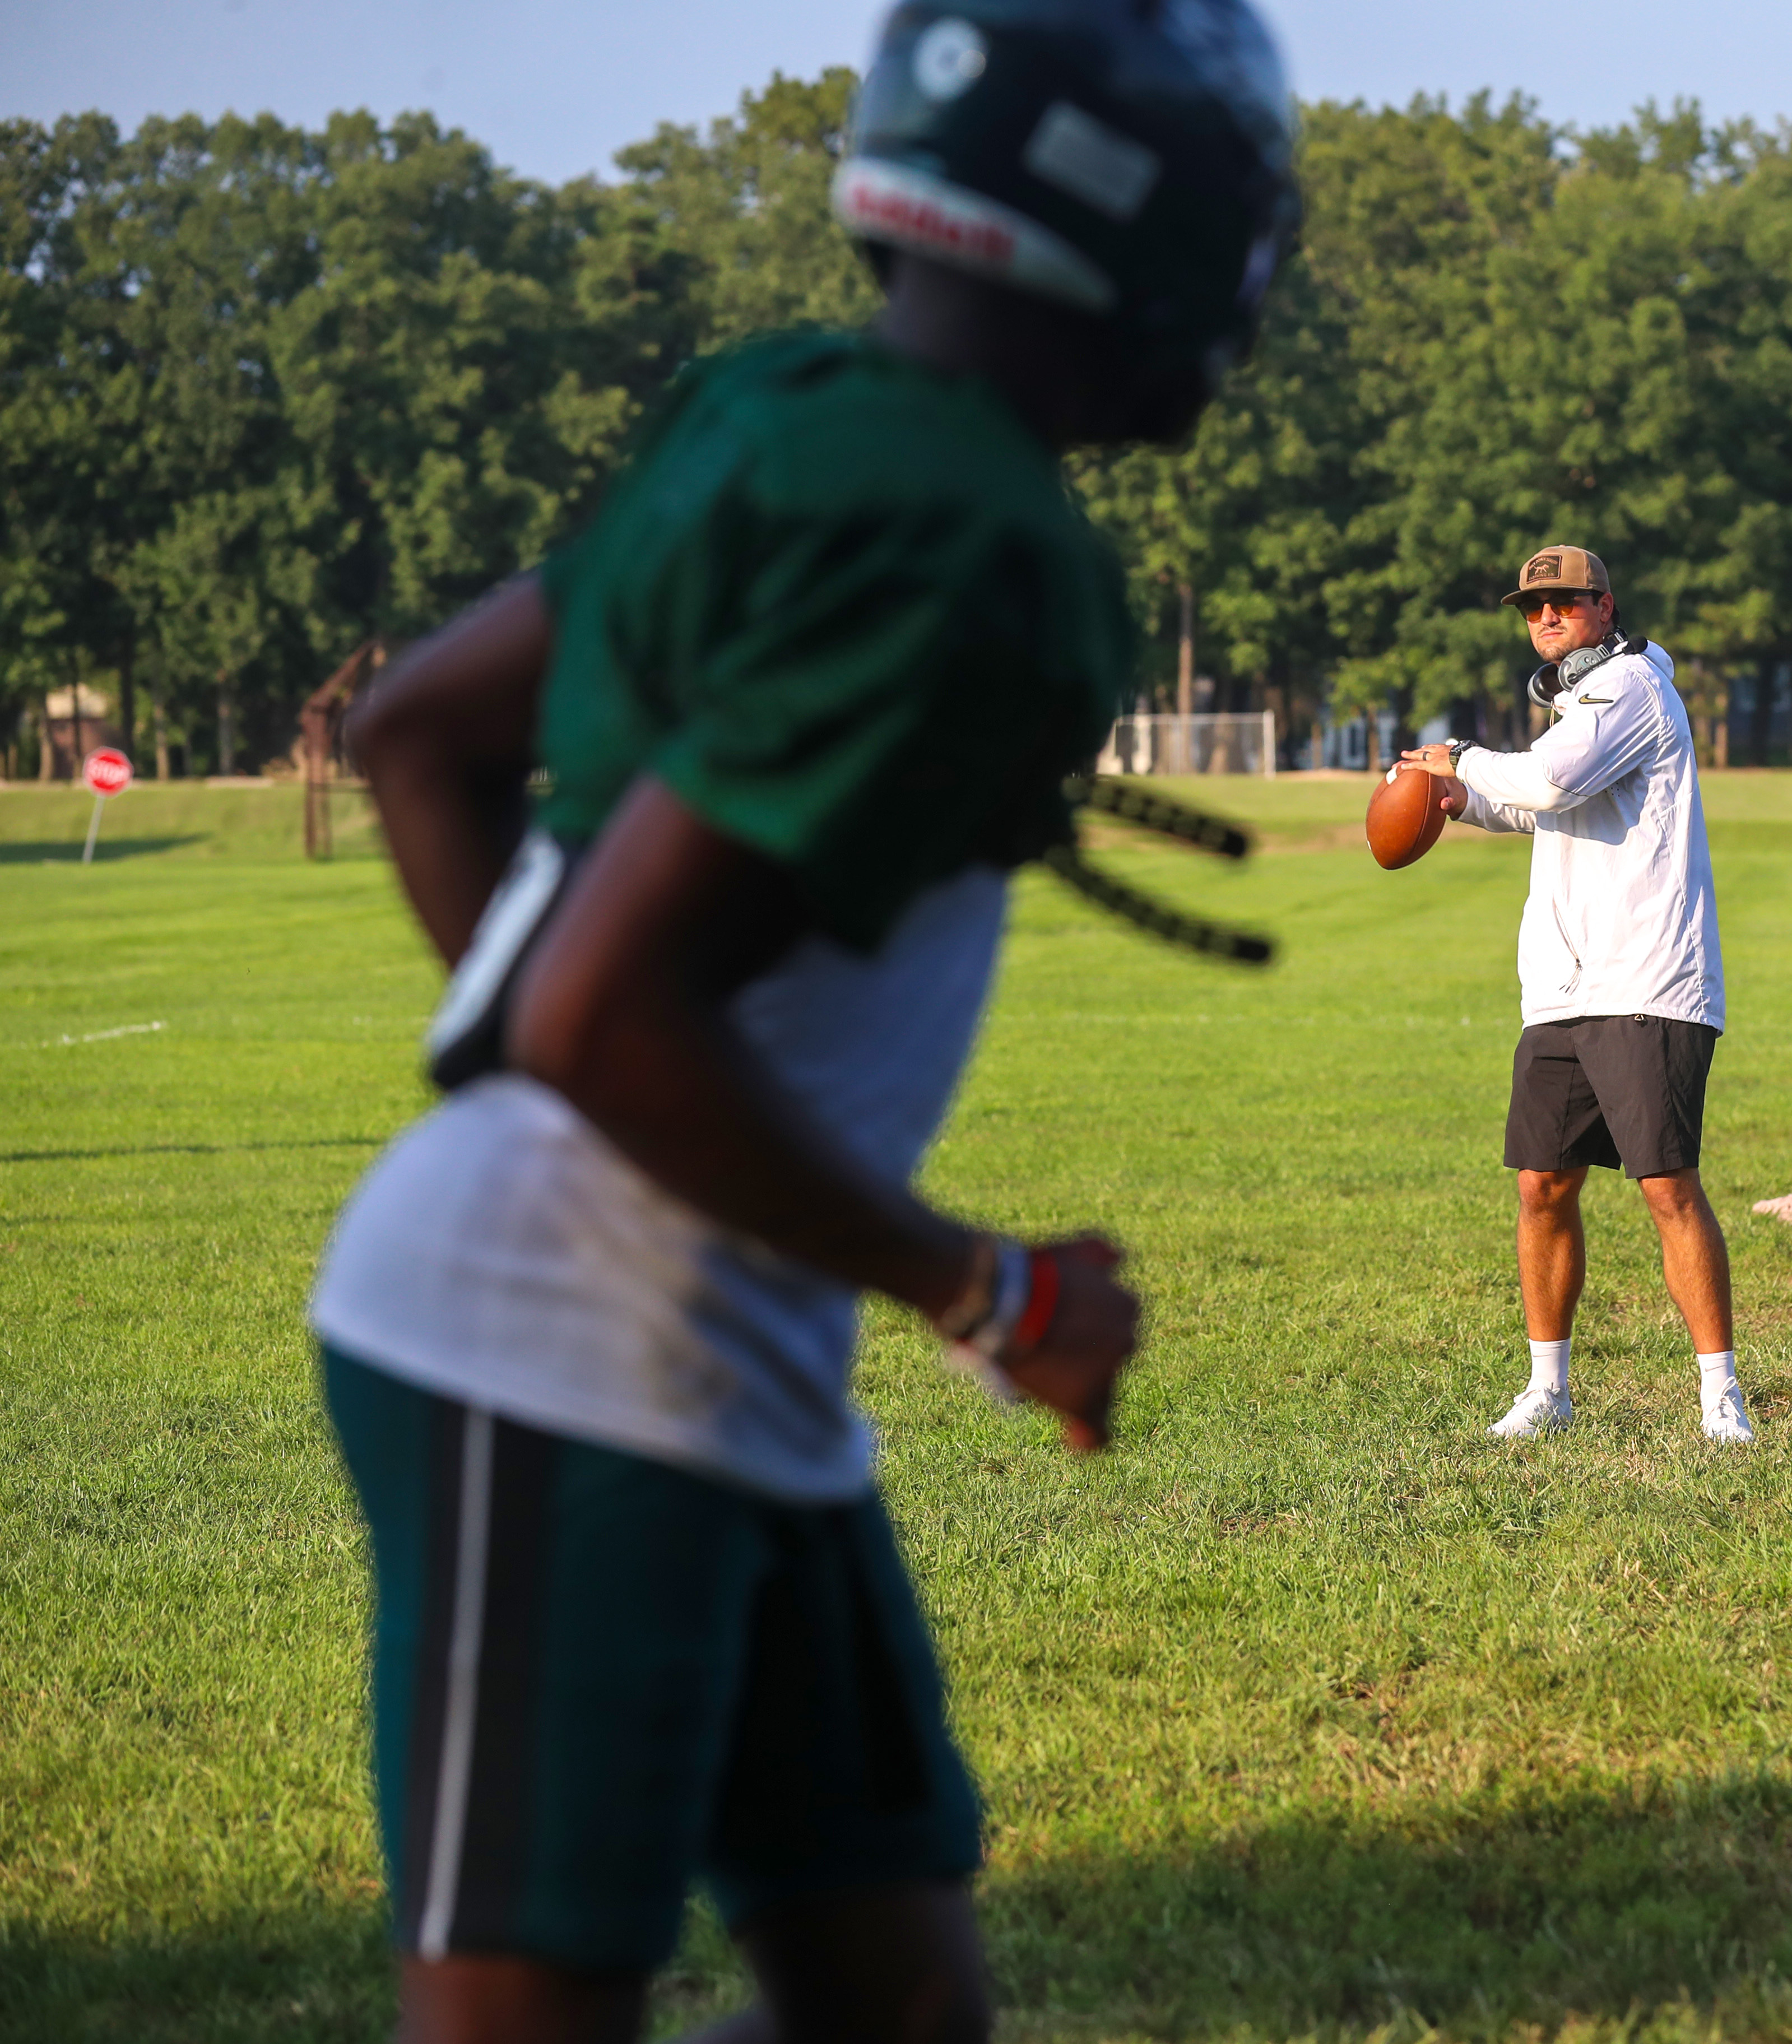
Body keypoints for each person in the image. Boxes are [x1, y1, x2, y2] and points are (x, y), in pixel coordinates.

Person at [309, 4, 1298, 2038]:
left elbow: (421, 738)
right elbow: (595, 1010)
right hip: (559, 1358)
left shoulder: (779, 407)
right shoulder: (975, 539)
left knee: (904, 2014)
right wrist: (989, 1288)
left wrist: (580, 1067)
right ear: (1132, 212)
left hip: (720, 1360)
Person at [1393, 546, 1751, 1445]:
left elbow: (1549, 778)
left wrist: (1462, 756)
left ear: (1604, 605)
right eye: (1532, 606)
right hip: (1562, 986)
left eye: (1565, 602)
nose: (1547, 617)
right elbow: (1537, 802)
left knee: (1668, 1188)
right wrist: (1453, 797)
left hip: (1646, 979)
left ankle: (1721, 1398)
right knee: (1542, 1186)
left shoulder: (1628, 686)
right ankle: (1548, 1392)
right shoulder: (1574, 703)